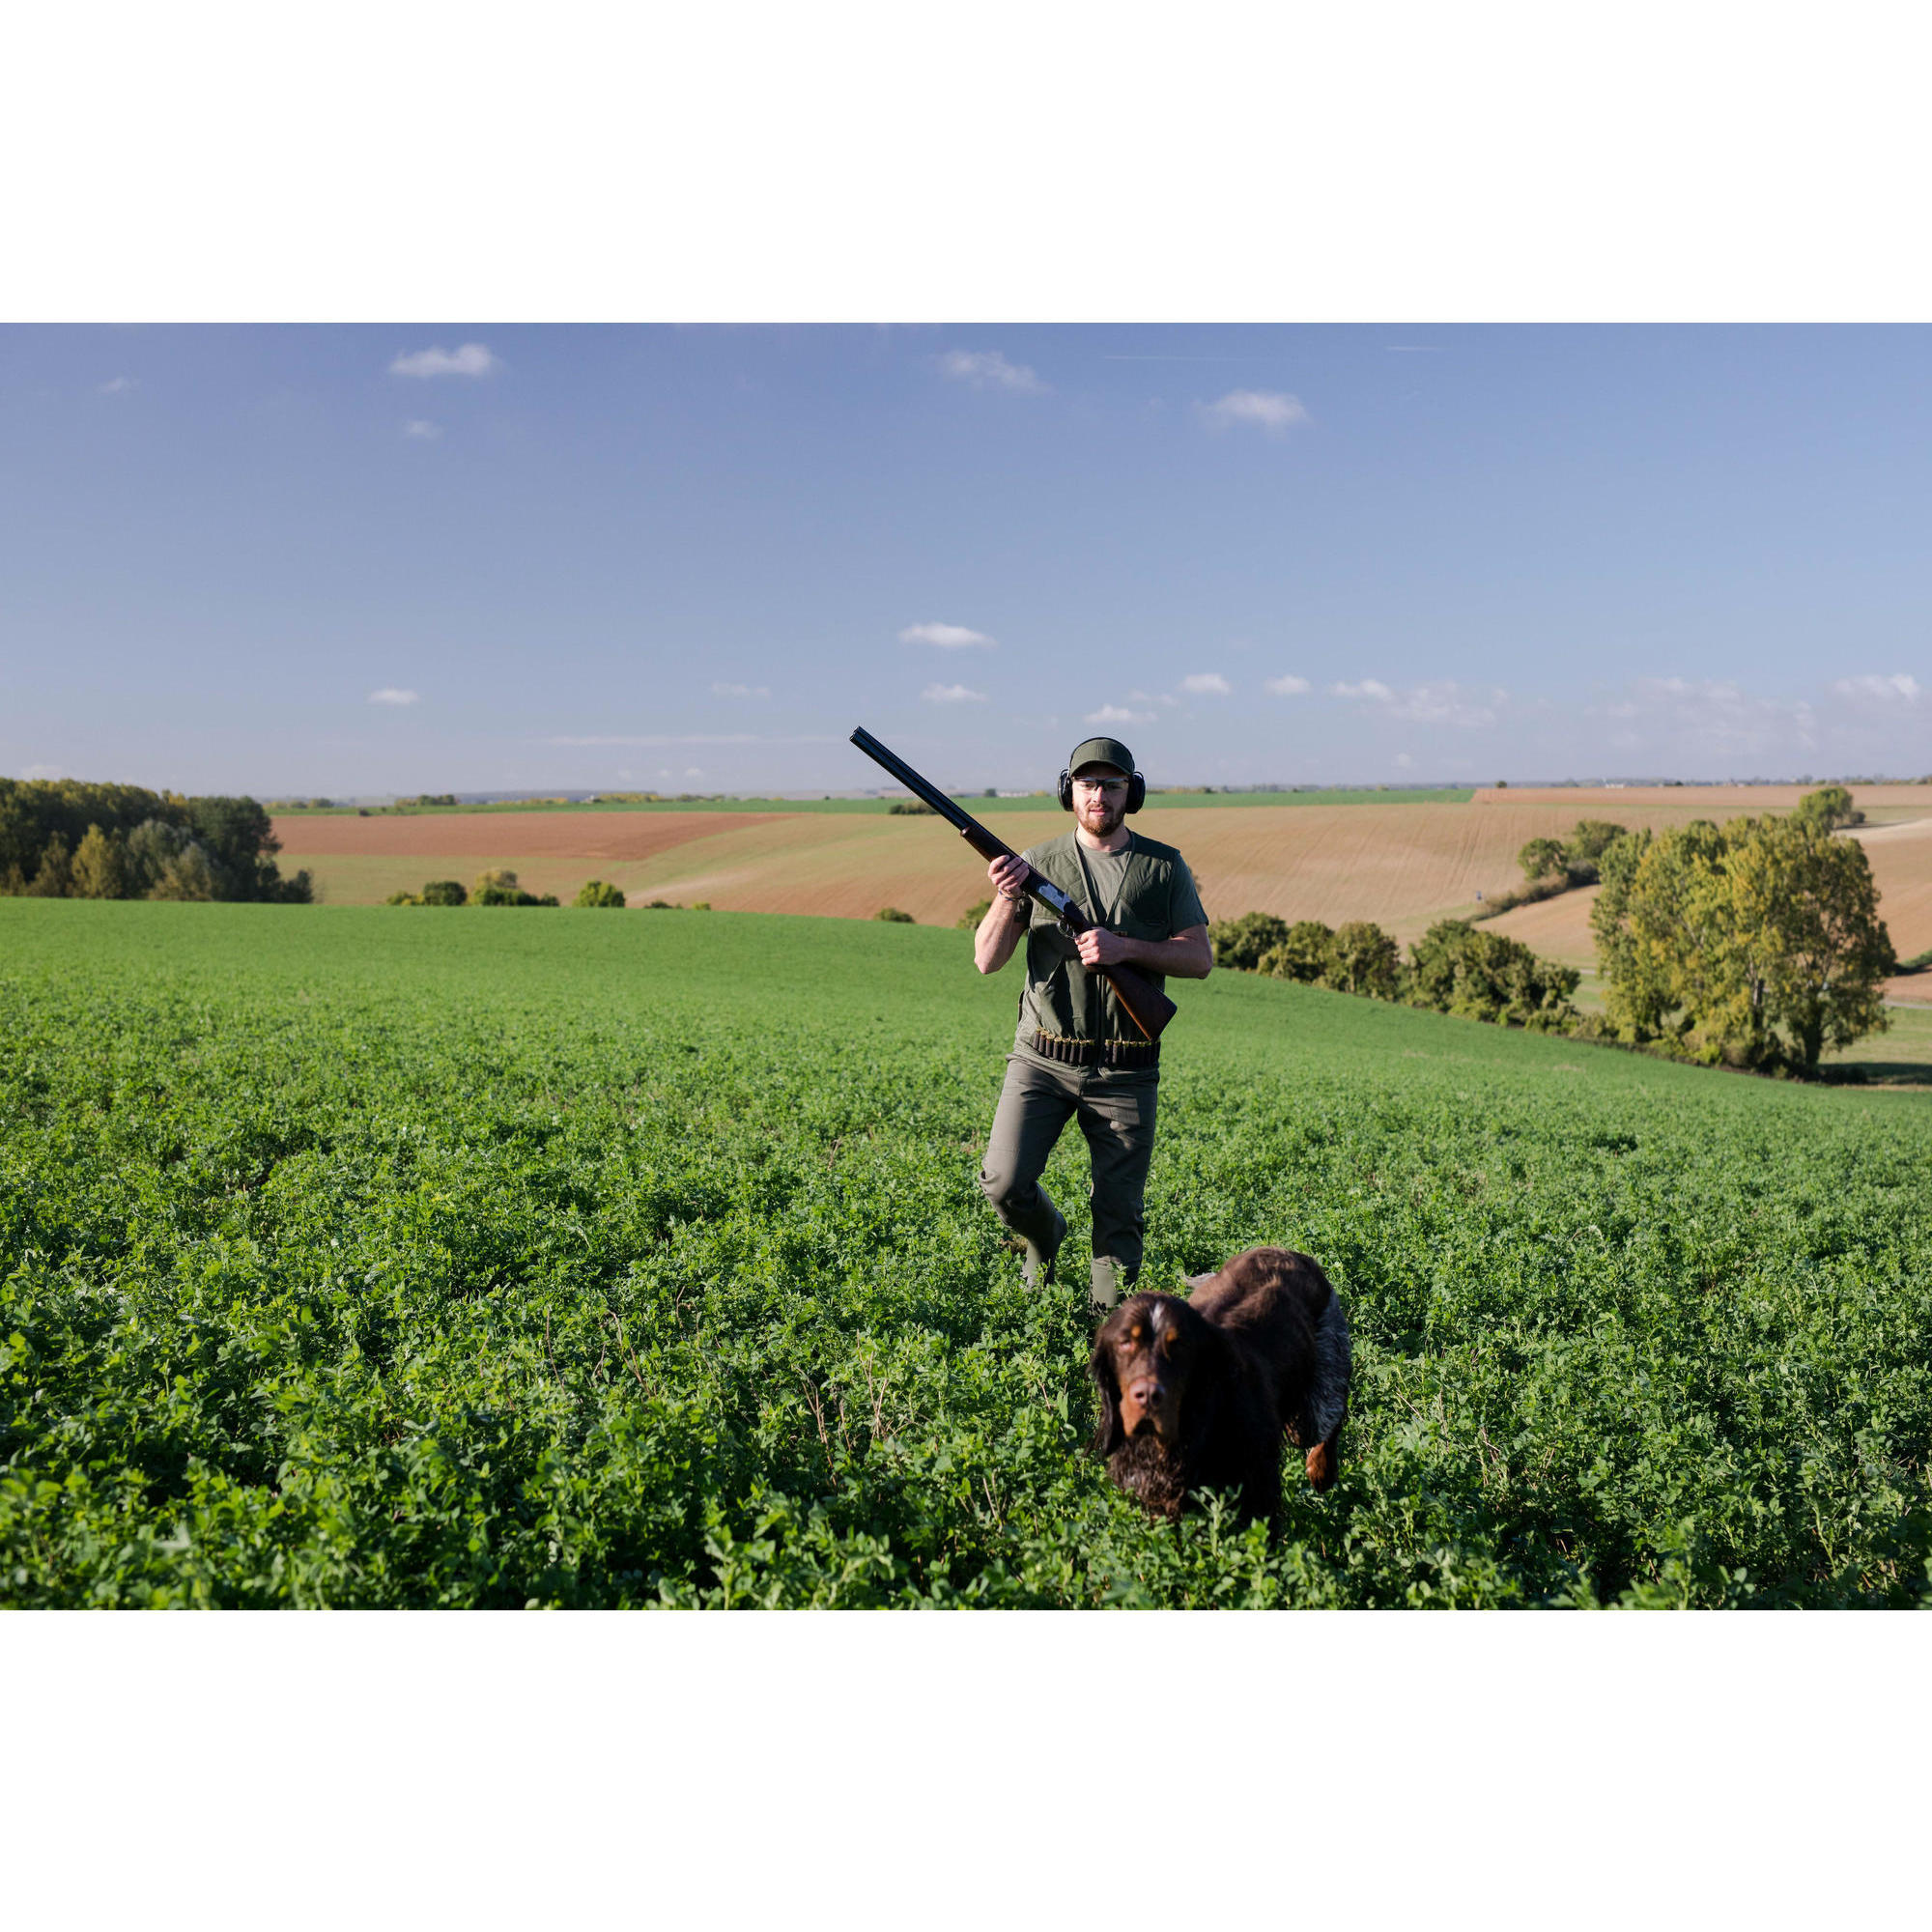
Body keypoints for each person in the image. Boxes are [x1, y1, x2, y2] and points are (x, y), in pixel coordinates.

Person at [972, 735, 1211, 1315]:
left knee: (1119, 1224)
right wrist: (1008, 896)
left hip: (1126, 1071)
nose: (1098, 794)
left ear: (1132, 793)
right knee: (1002, 1183)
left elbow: (1197, 958)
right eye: (1087, 784)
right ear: (1068, 791)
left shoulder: (1162, 866)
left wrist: (1122, 947)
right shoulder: (1036, 864)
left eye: (1110, 784)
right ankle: (1044, 1237)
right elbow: (986, 958)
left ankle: (1107, 1345)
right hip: (1043, 1059)